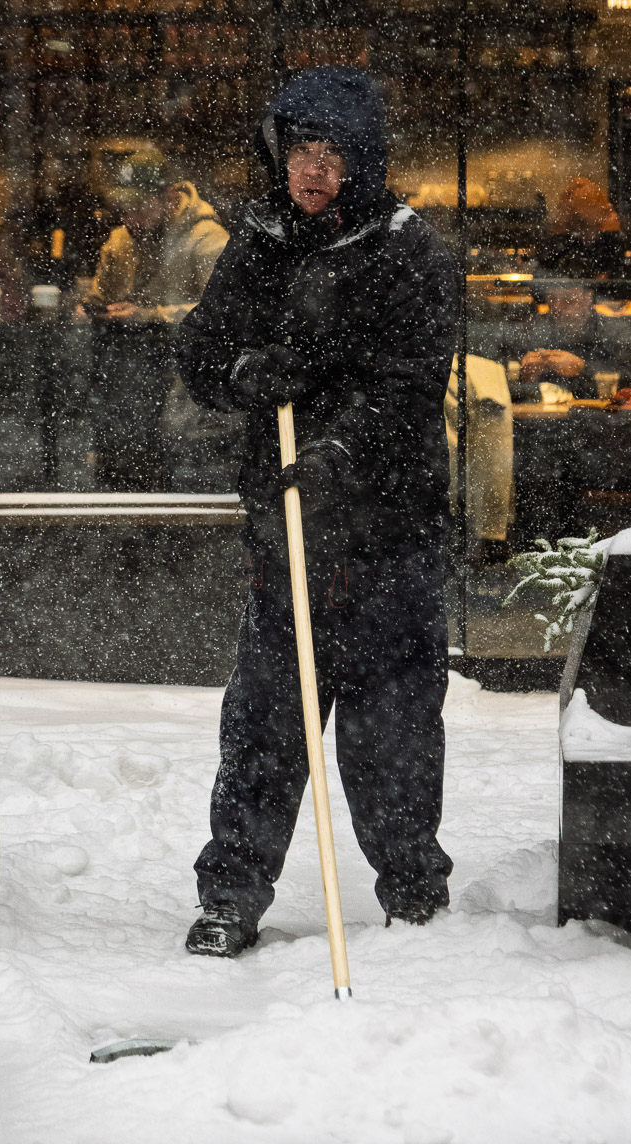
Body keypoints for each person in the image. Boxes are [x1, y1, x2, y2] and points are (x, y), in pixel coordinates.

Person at [176, 67, 458, 957]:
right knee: (264, 722)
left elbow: (410, 387)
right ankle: (231, 894)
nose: (313, 171)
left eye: (333, 154)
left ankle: (413, 897)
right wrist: (240, 376)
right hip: (286, 536)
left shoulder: (412, 252)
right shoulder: (257, 244)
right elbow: (200, 350)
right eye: (301, 150)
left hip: (388, 535)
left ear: (364, 161)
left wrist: (340, 457)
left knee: (393, 732)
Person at [79, 150, 229, 489]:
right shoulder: (122, 239)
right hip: (128, 380)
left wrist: (150, 316)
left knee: (172, 472)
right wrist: (88, 307)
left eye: (140, 207)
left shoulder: (207, 238)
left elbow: (220, 312)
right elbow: (102, 296)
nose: (131, 217)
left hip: (183, 380)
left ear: (169, 197)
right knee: (121, 466)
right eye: (125, 209)